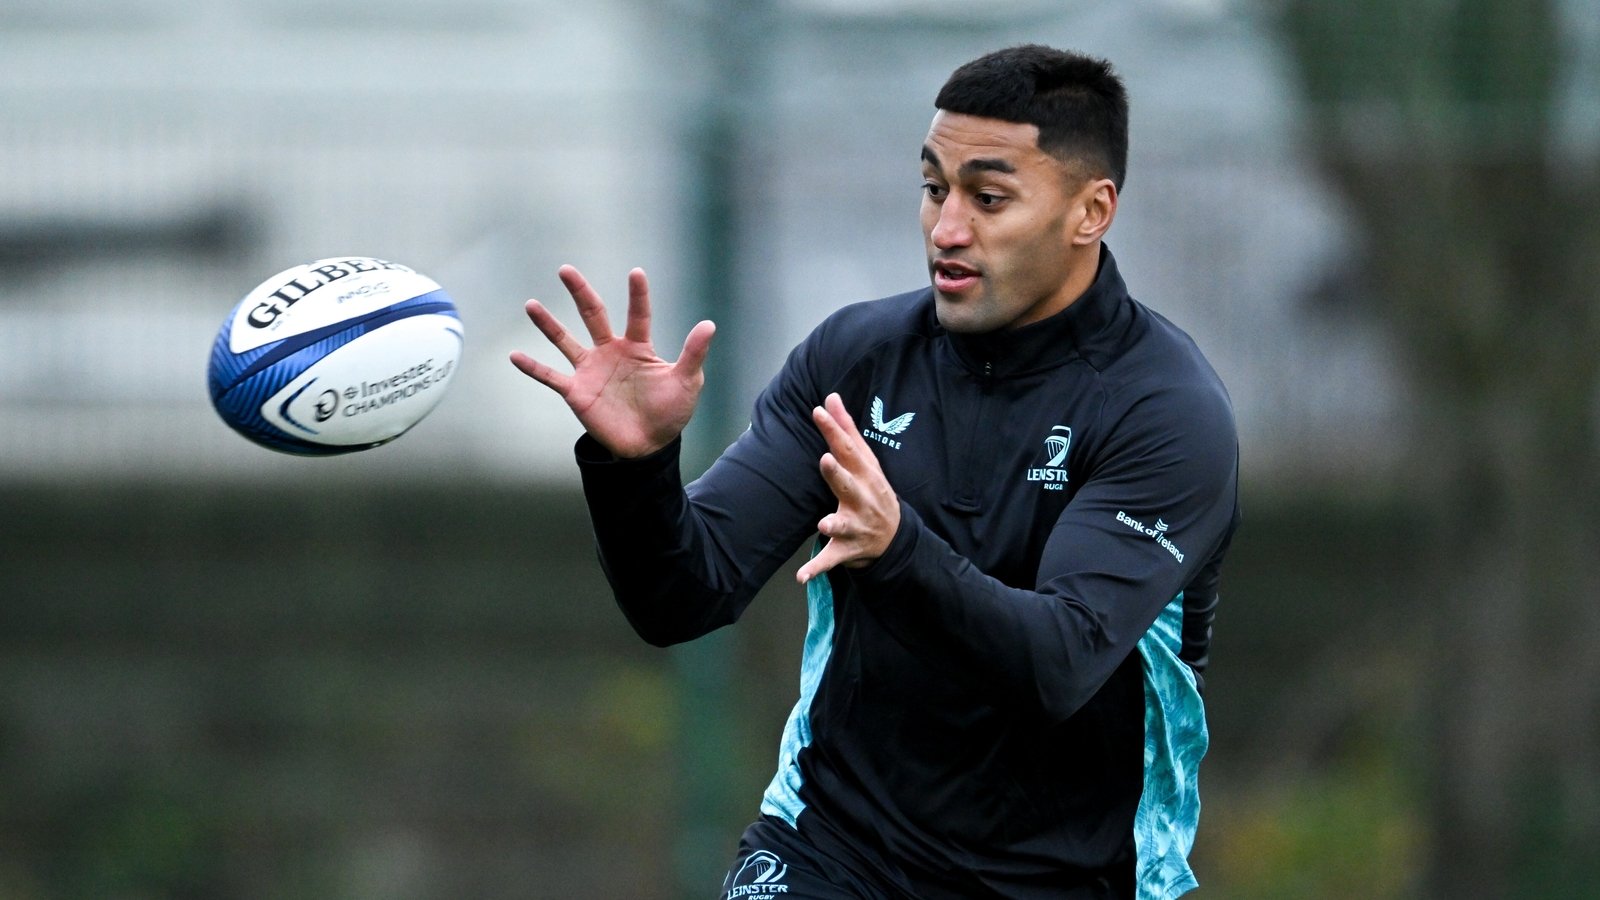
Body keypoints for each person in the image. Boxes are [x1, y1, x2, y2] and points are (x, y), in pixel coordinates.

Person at [511, 44, 1239, 900]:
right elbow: (682, 597)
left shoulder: (1165, 412)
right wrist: (635, 469)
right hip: (835, 849)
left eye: (989, 198)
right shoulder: (856, 362)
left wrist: (900, 551)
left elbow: (1059, 666)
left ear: (1091, 211)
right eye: (934, 188)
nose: (947, 228)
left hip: (1070, 880)